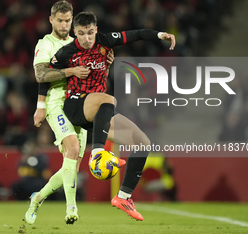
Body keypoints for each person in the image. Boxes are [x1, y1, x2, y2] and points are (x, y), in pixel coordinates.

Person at [39, 11, 175, 221]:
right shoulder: (67, 52)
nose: (87, 38)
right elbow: (44, 76)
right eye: (82, 34)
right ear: (75, 33)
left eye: (91, 33)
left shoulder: (105, 41)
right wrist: (64, 78)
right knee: (109, 99)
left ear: (96, 30)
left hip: (99, 110)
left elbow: (136, 33)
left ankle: (123, 196)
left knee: (142, 143)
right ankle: (98, 153)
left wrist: (159, 35)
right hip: (75, 105)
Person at [24, 0, 115, 225]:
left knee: (71, 162)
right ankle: (71, 208)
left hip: (80, 103)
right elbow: (41, 75)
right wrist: (41, 106)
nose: (64, 25)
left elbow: (96, 74)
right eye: (60, 20)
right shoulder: (45, 44)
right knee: (73, 147)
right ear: (51, 20)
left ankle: (38, 198)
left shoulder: (81, 42)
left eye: (67, 21)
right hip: (57, 103)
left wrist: (108, 64)